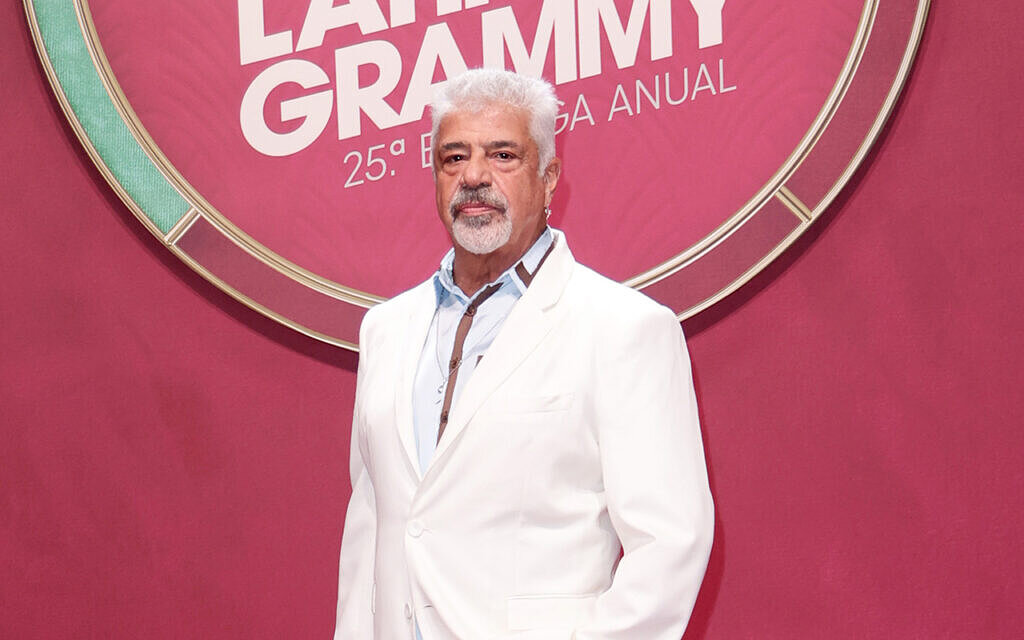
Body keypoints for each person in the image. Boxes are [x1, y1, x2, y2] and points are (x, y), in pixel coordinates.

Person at [334, 68, 714, 640]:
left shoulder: (624, 328)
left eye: (503, 155)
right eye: (453, 158)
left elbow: (671, 545)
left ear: (548, 175)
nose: (474, 177)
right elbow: (372, 528)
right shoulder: (386, 329)